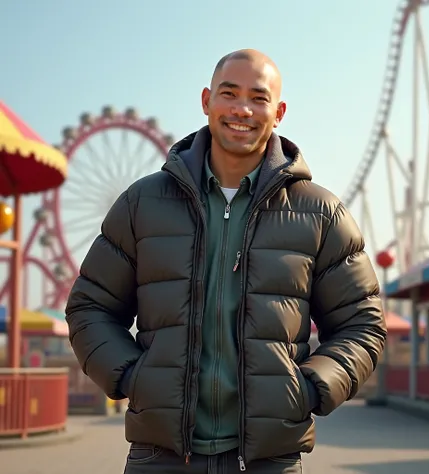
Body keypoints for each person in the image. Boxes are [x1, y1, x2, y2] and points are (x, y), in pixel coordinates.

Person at [65, 48, 387, 474]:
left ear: (279, 111)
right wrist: (131, 377)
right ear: (206, 101)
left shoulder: (321, 214)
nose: (242, 110)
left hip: (269, 459)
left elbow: (363, 324)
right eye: (229, 93)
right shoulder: (142, 204)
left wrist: (308, 388)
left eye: (258, 97)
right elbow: (90, 307)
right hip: (159, 456)